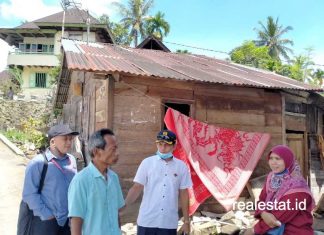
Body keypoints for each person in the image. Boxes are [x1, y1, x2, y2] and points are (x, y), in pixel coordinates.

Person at [124, 130, 193, 235]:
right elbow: (137, 187)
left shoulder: (181, 167)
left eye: (167, 145)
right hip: (147, 220)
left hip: (168, 222)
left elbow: (184, 193)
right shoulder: (147, 163)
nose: (163, 148)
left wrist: (187, 221)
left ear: (174, 146)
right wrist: (123, 206)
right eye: (160, 144)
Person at [22, 124, 79, 235]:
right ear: (53, 142)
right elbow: (29, 194)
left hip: (67, 221)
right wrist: (47, 215)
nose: (69, 142)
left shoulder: (72, 160)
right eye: (65, 139)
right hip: (45, 222)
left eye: (70, 139)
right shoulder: (38, 163)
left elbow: (74, 188)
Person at [244, 145, 314, 235]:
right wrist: (262, 213)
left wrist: (254, 230)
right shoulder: (272, 177)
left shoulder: (298, 188)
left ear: (288, 160)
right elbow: (262, 200)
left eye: (278, 159)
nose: (273, 162)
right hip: (270, 227)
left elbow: (277, 219)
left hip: (294, 231)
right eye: (271, 158)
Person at [68, 128, 124, 235]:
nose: (117, 153)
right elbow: (76, 219)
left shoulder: (114, 178)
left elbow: (116, 213)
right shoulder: (81, 180)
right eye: (113, 149)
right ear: (96, 151)